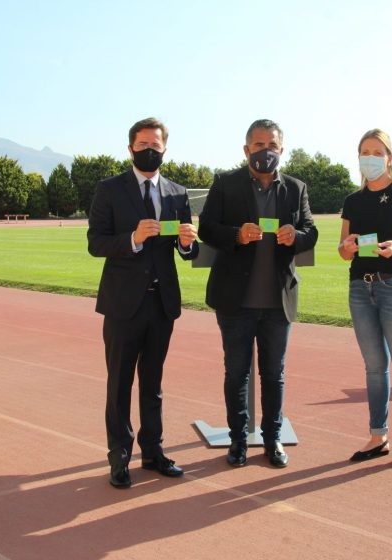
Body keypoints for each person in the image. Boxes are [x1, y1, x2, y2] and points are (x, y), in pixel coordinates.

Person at [199, 119, 318, 469]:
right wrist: (236, 234)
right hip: (235, 300)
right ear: (246, 149)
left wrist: (295, 236)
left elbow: (311, 232)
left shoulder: (296, 188)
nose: (265, 151)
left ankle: (272, 439)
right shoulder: (225, 183)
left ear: (281, 150)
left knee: (273, 374)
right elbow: (207, 228)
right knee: (236, 373)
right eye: (258, 144)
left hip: (278, 300)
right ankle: (237, 440)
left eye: (272, 145)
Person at [87, 117, 199, 488]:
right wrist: (132, 238)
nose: (150, 149)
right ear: (130, 148)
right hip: (122, 305)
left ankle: (153, 451)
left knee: (153, 382)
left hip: (161, 304)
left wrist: (186, 243)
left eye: (156, 144)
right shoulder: (109, 189)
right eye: (142, 144)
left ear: (165, 149)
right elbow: (96, 243)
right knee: (119, 383)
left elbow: (188, 250)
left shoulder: (177, 193)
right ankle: (119, 455)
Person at [337, 128, 392, 469]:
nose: (369, 158)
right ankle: (378, 436)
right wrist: (346, 247)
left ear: (389, 157)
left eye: (377, 152)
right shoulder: (353, 201)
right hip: (361, 288)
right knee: (374, 368)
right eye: (364, 152)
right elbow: (344, 251)